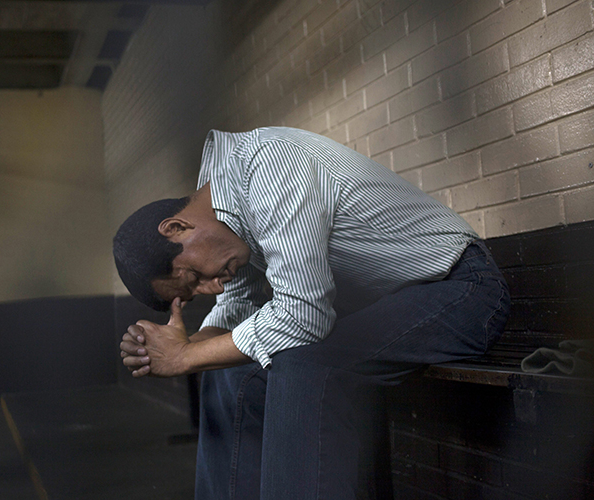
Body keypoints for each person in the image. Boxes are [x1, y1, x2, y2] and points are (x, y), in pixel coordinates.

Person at [113, 127, 510, 499]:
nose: (212, 286)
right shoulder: (227, 214)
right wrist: (183, 346)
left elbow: (303, 316)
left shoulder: (269, 167)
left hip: (461, 291)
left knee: (305, 360)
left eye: (195, 276)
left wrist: (184, 358)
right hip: (383, 310)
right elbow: (236, 304)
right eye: (195, 290)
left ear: (177, 227)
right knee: (227, 373)